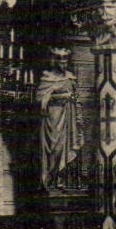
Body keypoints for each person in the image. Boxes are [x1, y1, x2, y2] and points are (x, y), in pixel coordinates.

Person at [35, 47, 80, 189]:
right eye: (61, 62)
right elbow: (40, 99)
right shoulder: (47, 77)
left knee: (64, 147)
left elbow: (76, 97)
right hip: (52, 118)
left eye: (66, 62)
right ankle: (48, 179)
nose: (64, 65)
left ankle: (61, 180)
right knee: (53, 149)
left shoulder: (70, 77)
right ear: (55, 62)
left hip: (67, 117)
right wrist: (61, 96)